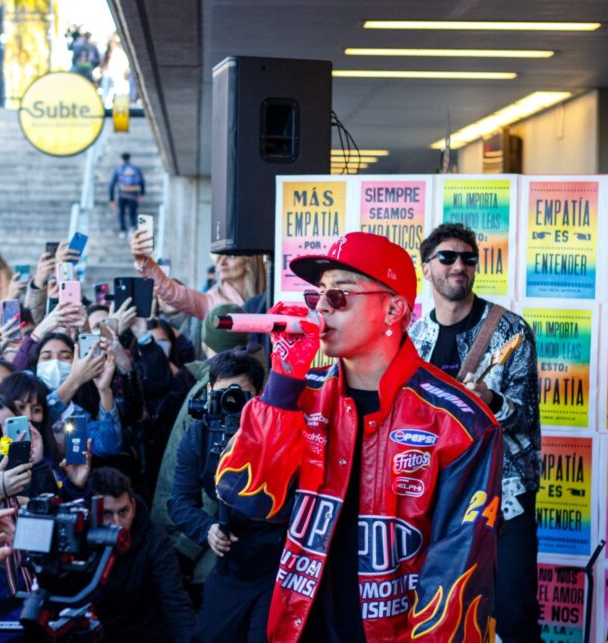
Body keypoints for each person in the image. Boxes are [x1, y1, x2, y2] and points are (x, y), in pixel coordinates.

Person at [215, 231, 503, 642]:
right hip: (301, 626)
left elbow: (457, 574)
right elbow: (249, 498)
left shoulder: (461, 422)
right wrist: (280, 384)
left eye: (341, 296)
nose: (321, 311)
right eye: (318, 297)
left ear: (394, 310)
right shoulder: (301, 395)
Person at [409, 222, 542, 642]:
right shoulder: (412, 338)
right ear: (426, 268)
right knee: (438, 606)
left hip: (504, 493)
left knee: (512, 608)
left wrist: (491, 400)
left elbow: (526, 420)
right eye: (446, 257)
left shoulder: (510, 331)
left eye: (468, 258)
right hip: (434, 494)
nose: (458, 265)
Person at [168, 350, 282, 642]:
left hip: (277, 562)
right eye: (222, 395)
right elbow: (179, 501)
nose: (231, 404)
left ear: (258, 395)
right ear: (208, 393)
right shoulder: (199, 435)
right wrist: (208, 529)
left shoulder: (279, 434)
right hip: (231, 561)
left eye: (239, 396)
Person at [89, 467, 195, 642]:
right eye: (106, 514)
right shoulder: (78, 539)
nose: (117, 523)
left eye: (123, 512)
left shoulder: (154, 540)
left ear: (134, 506)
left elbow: (175, 602)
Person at [132, 232, 266, 322]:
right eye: (221, 255)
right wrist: (144, 261)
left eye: (231, 256)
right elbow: (173, 293)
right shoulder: (211, 301)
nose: (221, 261)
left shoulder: (270, 296)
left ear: (249, 263)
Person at [108, 153, 145, 238]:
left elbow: (112, 184)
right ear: (130, 159)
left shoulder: (119, 169)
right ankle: (132, 229)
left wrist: (112, 199)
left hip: (122, 195)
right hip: (133, 195)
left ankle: (123, 230)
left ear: (121, 159)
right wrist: (142, 193)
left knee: (122, 213)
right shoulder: (136, 169)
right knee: (133, 213)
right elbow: (142, 181)